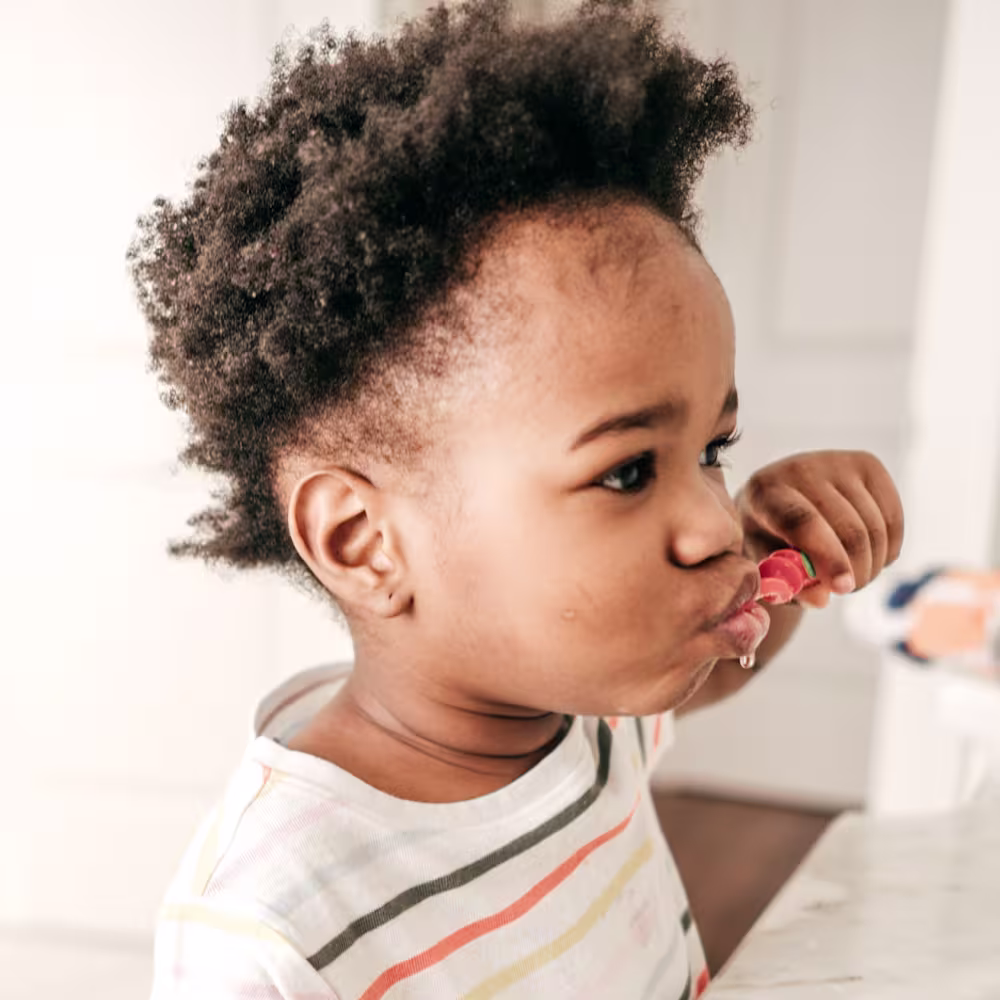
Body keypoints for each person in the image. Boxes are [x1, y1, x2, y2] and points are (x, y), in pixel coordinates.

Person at [129, 0, 904, 996]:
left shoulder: (577, 705)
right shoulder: (273, 928)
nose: (715, 525)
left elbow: (727, 663)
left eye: (713, 448)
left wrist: (788, 545)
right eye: (627, 471)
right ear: (366, 540)